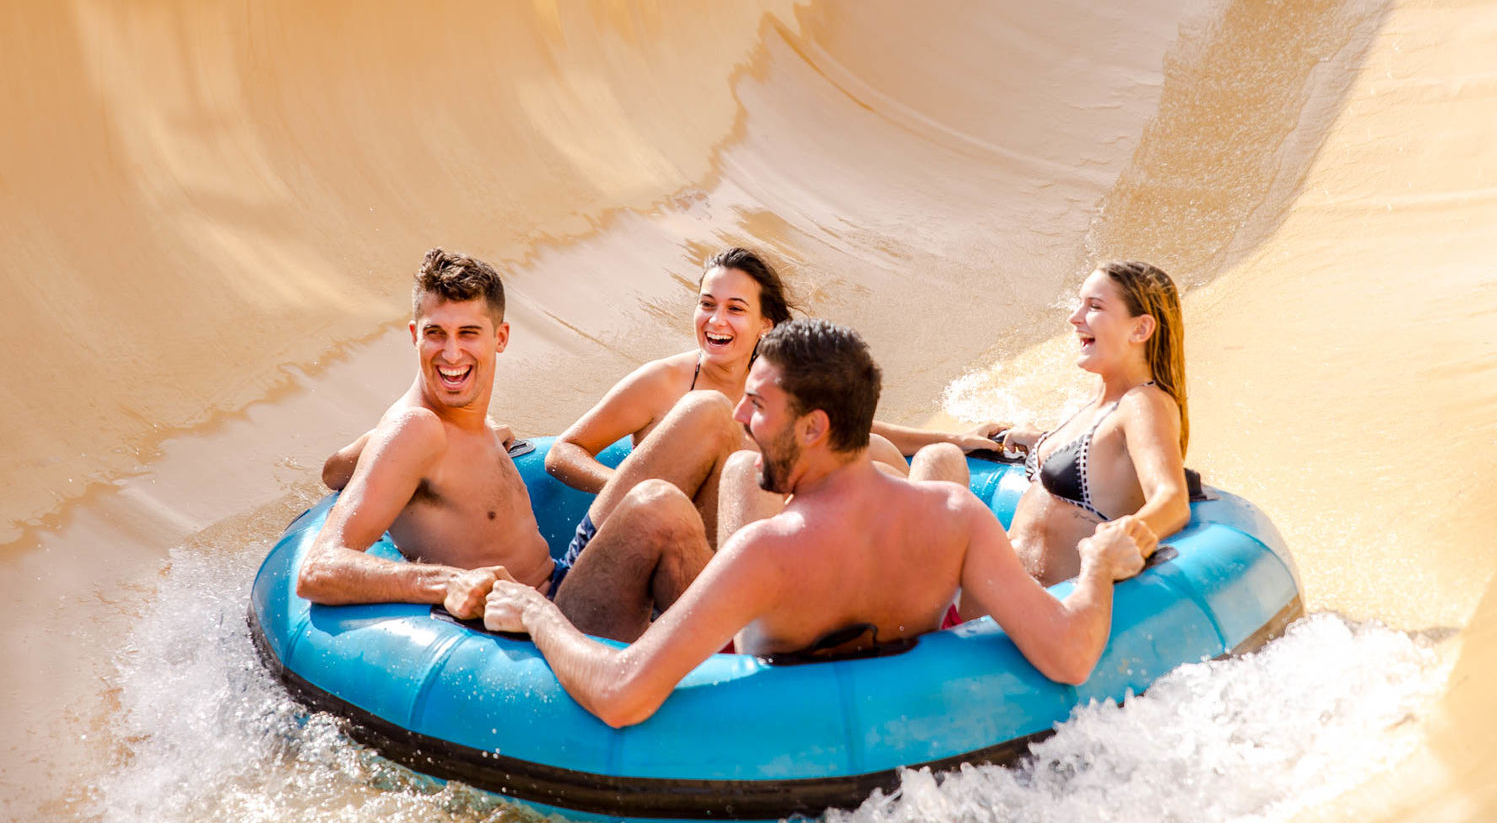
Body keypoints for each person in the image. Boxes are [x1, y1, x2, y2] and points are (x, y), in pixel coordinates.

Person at [477, 319, 1153, 728]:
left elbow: (622, 696)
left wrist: (540, 619)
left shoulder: (765, 552)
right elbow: (1069, 654)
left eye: (757, 407)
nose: (741, 419)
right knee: (752, 472)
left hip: (747, 718)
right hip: (899, 723)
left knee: (690, 497)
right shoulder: (956, 517)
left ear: (815, 427)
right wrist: (1097, 565)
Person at [297, 248, 713, 643]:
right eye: (435, 333)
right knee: (660, 505)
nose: (452, 352)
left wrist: (372, 446)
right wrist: (448, 582)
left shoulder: (454, 423)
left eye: (469, 333)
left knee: (706, 414)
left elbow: (337, 469)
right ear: (414, 336)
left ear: (501, 337)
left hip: (563, 580)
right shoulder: (416, 429)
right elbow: (317, 569)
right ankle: (739, 669)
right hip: (546, 623)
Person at [541, 247, 1002, 571]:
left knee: (877, 451)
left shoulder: (773, 383)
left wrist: (953, 439)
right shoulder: (663, 382)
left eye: (735, 309)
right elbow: (563, 452)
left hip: (744, 544)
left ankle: (928, 575)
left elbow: (848, 429)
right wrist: (640, 488)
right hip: (670, 539)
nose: (716, 321)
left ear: (766, 323)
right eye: (707, 305)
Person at [924, 261, 1191, 615]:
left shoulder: (1144, 403)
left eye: (1094, 307)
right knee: (939, 458)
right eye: (1080, 304)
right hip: (985, 590)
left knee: (933, 463)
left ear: (1141, 328)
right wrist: (1039, 442)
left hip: (1026, 609)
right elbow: (1098, 463)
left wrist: (1131, 533)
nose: (1075, 317)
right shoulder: (1100, 401)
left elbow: (1172, 499)